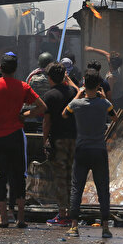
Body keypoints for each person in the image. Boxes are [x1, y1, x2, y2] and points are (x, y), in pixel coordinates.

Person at [0, 53, 46, 228]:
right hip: (17, 135)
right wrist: (25, 115)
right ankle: (21, 218)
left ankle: (3, 217)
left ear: (0, 68)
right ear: (15, 69)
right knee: (19, 175)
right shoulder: (23, 86)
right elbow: (42, 107)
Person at [62, 70, 117, 238]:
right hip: (99, 151)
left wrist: (78, 93)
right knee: (102, 189)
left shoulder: (76, 105)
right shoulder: (104, 104)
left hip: (81, 151)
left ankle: (74, 227)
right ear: (99, 85)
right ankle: (105, 228)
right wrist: (102, 97)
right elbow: (114, 118)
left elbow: (64, 114)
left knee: (77, 188)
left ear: (84, 84)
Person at [42, 61, 78, 226]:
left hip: (59, 140)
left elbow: (47, 121)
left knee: (60, 178)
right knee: (71, 176)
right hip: (73, 139)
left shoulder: (50, 96)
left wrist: (44, 139)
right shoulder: (72, 92)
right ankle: (70, 212)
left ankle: (63, 215)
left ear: (49, 78)